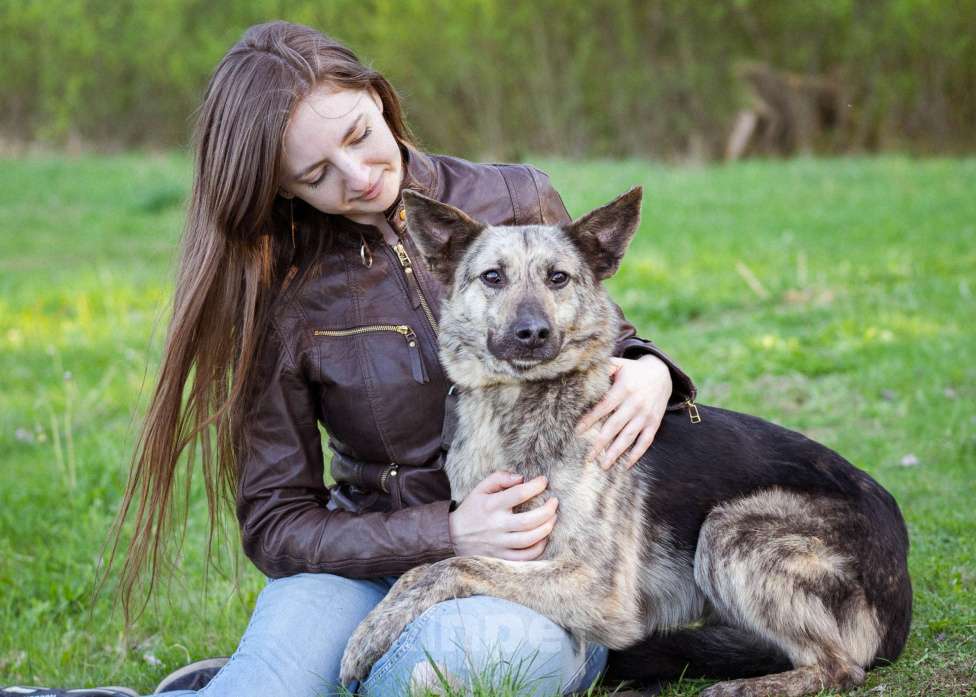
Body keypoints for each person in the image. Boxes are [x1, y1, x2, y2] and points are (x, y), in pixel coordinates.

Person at [1, 20, 695, 697]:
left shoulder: (517, 195)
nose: (360, 176)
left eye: (361, 135)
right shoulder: (281, 291)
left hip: (530, 570)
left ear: (380, 97)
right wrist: (444, 530)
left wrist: (654, 369)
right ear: (281, 189)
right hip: (366, 564)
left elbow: (587, 332)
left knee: (475, 661)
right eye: (316, 173)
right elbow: (276, 521)